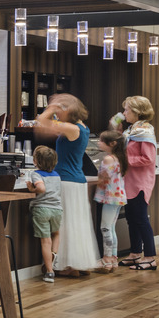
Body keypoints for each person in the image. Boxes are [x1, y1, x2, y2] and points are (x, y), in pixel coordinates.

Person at [37, 94, 98, 277]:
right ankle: (78, 264)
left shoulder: (72, 128)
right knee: (76, 223)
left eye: (61, 112)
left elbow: (41, 121)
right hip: (76, 181)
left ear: (68, 111)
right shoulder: (82, 128)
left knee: (63, 224)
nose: (58, 115)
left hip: (66, 181)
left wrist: (52, 107)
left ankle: (67, 265)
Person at [117, 96, 159, 271]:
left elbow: (148, 159)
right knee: (132, 218)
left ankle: (150, 257)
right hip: (129, 181)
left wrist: (124, 159)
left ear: (137, 112)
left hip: (140, 182)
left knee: (141, 219)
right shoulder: (131, 130)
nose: (124, 113)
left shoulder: (144, 132)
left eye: (127, 110)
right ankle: (135, 253)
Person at [94, 130, 128, 273]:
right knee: (111, 228)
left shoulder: (108, 159)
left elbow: (104, 179)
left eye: (101, 141)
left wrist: (99, 179)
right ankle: (113, 259)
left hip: (110, 197)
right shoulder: (119, 158)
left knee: (105, 228)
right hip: (118, 196)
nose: (98, 143)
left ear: (112, 144)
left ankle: (107, 259)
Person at [28, 146, 63, 282]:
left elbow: (41, 188)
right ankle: (53, 255)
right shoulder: (57, 175)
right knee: (56, 234)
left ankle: (49, 272)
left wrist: (32, 188)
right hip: (57, 209)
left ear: (36, 161)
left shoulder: (36, 174)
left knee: (45, 241)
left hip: (41, 209)